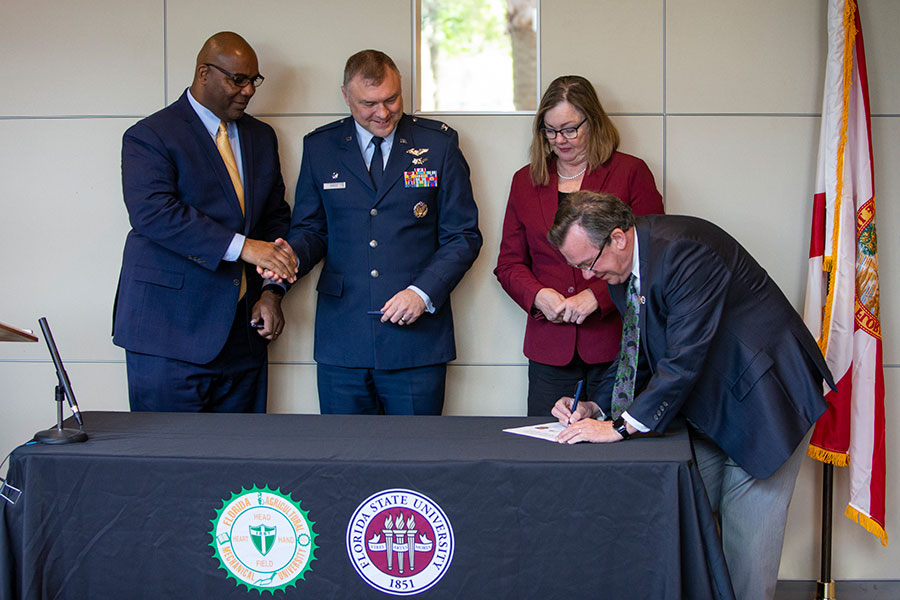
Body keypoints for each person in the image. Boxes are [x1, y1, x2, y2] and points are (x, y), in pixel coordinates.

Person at [547, 191, 834, 600]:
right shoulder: (624, 272)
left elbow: (682, 359)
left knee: (745, 560)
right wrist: (596, 405)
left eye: (587, 263)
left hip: (764, 401)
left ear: (618, 238)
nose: (587, 277)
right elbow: (637, 352)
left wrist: (619, 428)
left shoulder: (685, 252)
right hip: (713, 403)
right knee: (683, 521)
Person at [277, 49, 482, 415]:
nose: (383, 113)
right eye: (369, 103)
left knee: (415, 460)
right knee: (345, 462)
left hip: (416, 340)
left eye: (391, 99)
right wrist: (289, 258)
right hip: (343, 336)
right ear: (346, 96)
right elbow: (311, 229)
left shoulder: (438, 144)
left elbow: (463, 235)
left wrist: (422, 292)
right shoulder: (320, 147)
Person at [113, 32, 297, 413]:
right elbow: (154, 213)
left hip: (243, 338)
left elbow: (274, 219)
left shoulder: (261, 137)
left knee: (240, 466)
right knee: (169, 465)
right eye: (238, 80)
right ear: (203, 74)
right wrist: (245, 247)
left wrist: (270, 292)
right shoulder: (150, 135)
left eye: (253, 81)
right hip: (168, 337)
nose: (248, 91)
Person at [494, 75, 663, 416]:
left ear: (593, 121)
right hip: (549, 349)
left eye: (570, 129)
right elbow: (509, 264)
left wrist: (597, 297)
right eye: (551, 130)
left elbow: (651, 254)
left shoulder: (630, 172)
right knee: (548, 455)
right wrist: (539, 296)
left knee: (614, 451)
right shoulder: (524, 181)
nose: (560, 140)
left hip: (617, 344)